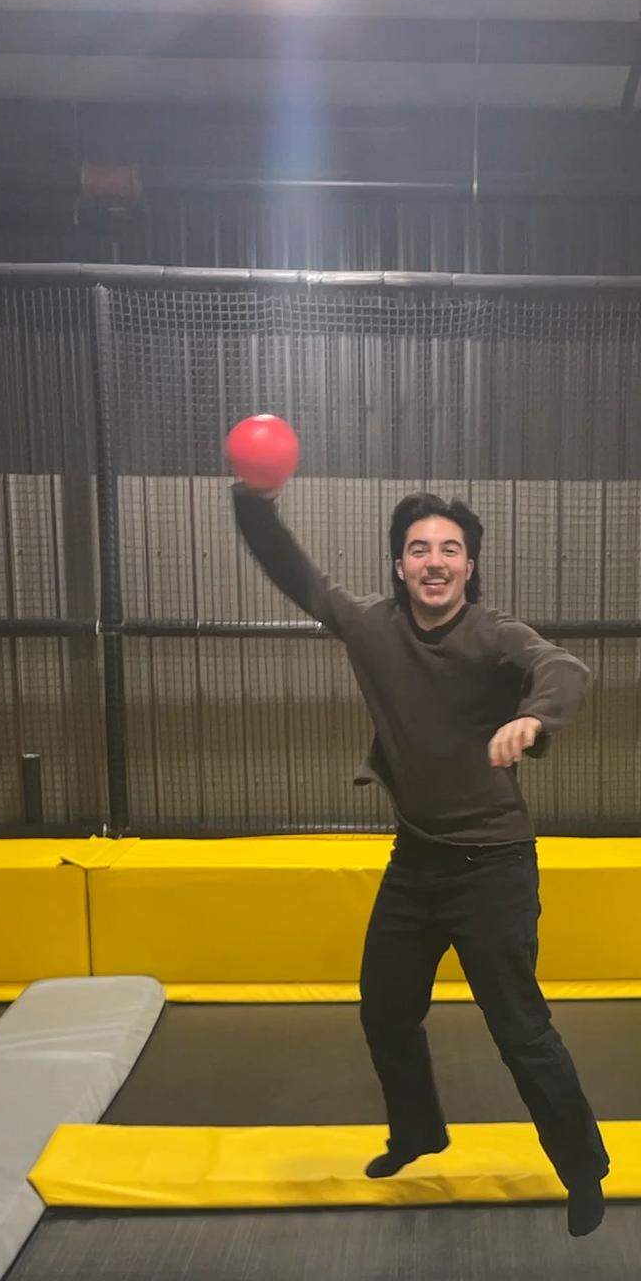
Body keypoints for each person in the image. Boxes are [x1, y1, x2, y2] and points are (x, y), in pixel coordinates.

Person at [232, 481, 609, 1236]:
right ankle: (417, 1130)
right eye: (418, 549)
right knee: (385, 1009)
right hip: (417, 864)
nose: (434, 562)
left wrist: (534, 719)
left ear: (469, 567)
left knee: (521, 1030)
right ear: (399, 565)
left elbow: (564, 669)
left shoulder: (494, 633)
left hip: (494, 868)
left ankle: (583, 1168)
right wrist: (252, 503)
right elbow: (298, 576)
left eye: (449, 550)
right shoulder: (372, 628)